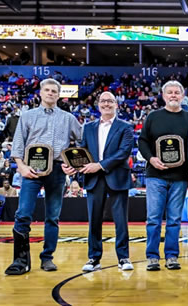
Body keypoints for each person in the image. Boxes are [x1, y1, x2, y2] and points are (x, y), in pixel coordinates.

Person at [5, 78, 82, 275]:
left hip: (57, 170)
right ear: (40, 93)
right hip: (31, 169)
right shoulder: (28, 116)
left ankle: (47, 258)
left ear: (58, 95)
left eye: (54, 91)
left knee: (53, 217)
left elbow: (82, 141)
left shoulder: (68, 118)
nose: (50, 93)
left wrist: (73, 164)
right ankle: (20, 261)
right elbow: (18, 144)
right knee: (23, 213)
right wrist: (20, 167)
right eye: (47, 90)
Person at [63, 91, 135, 272]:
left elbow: (124, 152)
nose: (106, 104)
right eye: (103, 101)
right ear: (98, 105)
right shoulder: (88, 127)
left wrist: (100, 165)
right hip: (93, 178)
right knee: (94, 220)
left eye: (110, 101)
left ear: (116, 104)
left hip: (117, 176)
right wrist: (73, 167)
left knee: (121, 220)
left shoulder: (125, 126)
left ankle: (123, 257)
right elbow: (82, 152)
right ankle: (94, 258)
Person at [138, 80, 188, 271]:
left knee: (174, 219)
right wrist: (151, 159)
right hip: (155, 175)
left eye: (176, 93)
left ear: (182, 95)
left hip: (179, 177)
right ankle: (152, 256)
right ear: (163, 96)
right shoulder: (153, 117)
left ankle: (171, 256)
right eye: (169, 92)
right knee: (153, 218)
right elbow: (143, 141)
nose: (173, 95)